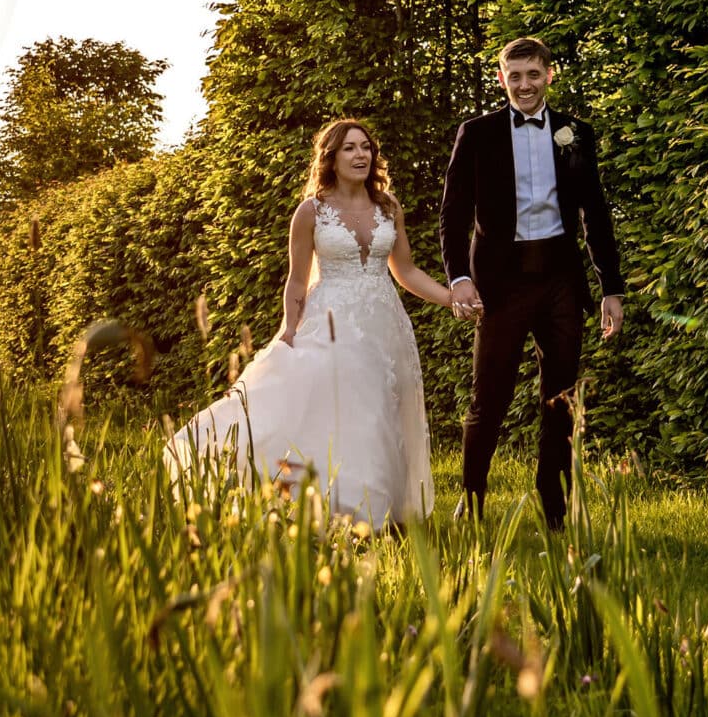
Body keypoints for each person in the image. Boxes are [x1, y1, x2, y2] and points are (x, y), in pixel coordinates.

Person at [167, 118, 462, 526]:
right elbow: (297, 278)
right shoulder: (312, 211)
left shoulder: (388, 207)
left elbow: (406, 271)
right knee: (344, 411)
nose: (360, 155)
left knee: (381, 415)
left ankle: (377, 510)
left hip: (384, 322)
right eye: (349, 148)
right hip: (331, 320)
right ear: (331, 158)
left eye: (365, 147)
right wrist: (290, 328)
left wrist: (452, 299)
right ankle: (348, 510)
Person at [441, 36, 625, 531]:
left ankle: (555, 506)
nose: (524, 84)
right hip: (501, 283)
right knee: (490, 395)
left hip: (562, 280)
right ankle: (472, 495)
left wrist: (611, 287)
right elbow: (454, 214)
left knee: (561, 397)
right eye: (514, 76)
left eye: (533, 74)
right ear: (502, 79)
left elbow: (597, 215)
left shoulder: (574, 133)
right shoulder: (476, 134)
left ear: (549, 74)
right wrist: (459, 278)